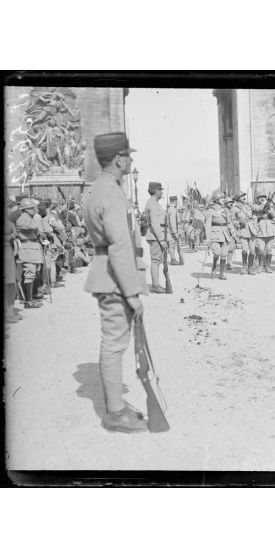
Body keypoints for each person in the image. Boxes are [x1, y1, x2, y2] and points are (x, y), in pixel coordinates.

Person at [83, 131, 148, 433]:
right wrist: (132, 292)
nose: (131, 159)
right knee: (113, 344)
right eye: (128, 155)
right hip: (114, 277)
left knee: (113, 342)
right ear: (119, 158)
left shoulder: (99, 188)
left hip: (105, 272)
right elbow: (120, 246)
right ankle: (115, 412)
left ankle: (116, 407)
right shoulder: (111, 192)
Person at [15, 198, 44, 308]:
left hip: (32, 248)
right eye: (32, 208)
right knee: (29, 273)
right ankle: (28, 301)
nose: (34, 210)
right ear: (26, 209)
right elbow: (32, 227)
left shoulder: (28, 217)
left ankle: (30, 297)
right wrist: (37, 217)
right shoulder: (22, 219)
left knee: (33, 272)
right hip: (27, 248)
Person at [144, 182, 167, 293]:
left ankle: (156, 284)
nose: (162, 192)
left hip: (156, 234)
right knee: (156, 260)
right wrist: (161, 239)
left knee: (158, 260)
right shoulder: (152, 204)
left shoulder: (154, 203)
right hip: (155, 235)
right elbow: (155, 224)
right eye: (160, 190)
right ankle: (155, 285)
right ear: (156, 191)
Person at [205, 190, 232, 279]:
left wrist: (233, 233)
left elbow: (229, 222)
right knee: (217, 252)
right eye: (221, 198)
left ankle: (221, 273)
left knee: (224, 254)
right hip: (215, 233)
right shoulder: (210, 210)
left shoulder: (225, 210)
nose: (223, 200)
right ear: (216, 200)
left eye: (223, 198)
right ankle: (213, 267)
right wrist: (208, 237)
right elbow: (208, 224)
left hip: (225, 233)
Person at [231, 191, 259, 275]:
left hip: (252, 230)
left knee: (252, 251)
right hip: (243, 230)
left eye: (244, 196)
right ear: (238, 198)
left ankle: (250, 268)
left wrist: (255, 223)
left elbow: (256, 212)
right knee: (244, 249)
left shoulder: (248, 206)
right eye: (242, 196)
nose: (244, 197)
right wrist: (240, 223)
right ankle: (244, 266)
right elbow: (232, 221)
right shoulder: (234, 208)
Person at [252, 187, 275, 273]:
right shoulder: (255, 206)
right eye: (260, 197)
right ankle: (260, 266)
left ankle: (267, 266)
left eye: (264, 197)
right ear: (257, 199)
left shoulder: (270, 205)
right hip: (260, 229)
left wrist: (270, 210)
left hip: (270, 229)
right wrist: (260, 216)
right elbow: (254, 216)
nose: (262, 198)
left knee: (269, 249)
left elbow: (274, 216)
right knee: (261, 249)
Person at [224, 196, 238, 271]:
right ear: (225, 203)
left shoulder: (233, 210)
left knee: (231, 247)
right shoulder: (223, 210)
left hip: (232, 230)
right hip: (224, 230)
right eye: (229, 202)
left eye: (231, 202)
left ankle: (228, 262)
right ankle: (223, 261)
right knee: (224, 248)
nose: (230, 204)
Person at [167, 195, 181, 265]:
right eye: (177, 201)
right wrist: (175, 232)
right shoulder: (172, 209)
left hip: (171, 231)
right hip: (172, 231)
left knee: (172, 245)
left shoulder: (171, 208)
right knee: (172, 245)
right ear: (175, 201)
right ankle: (173, 260)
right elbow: (172, 222)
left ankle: (173, 259)